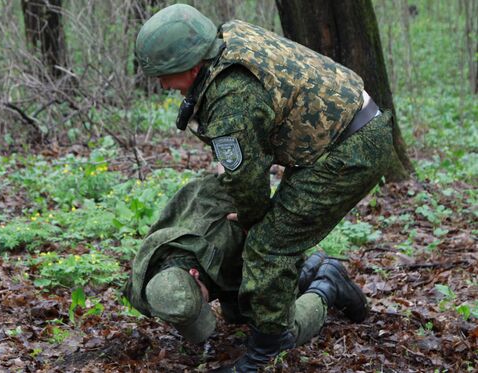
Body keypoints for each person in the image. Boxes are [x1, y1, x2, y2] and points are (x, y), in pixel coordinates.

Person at [135, 4, 393, 371]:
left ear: (191, 66)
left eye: (165, 75)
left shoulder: (231, 100)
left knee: (267, 244)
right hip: (333, 136)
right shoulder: (225, 41)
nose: (162, 85)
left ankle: (269, 348)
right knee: (267, 239)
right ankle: (312, 272)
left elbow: (248, 181)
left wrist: (251, 221)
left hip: (351, 150)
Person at [123, 174, 364, 364]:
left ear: (195, 275)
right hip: (227, 262)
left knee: (278, 334)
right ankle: (307, 272)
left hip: (261, 251)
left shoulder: (223, 236)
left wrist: (253, 220)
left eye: (202, 302)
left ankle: (327, 284)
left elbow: (242, 179)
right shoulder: (145, 284)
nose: (205, 307)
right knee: (238, 315)